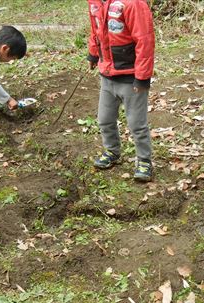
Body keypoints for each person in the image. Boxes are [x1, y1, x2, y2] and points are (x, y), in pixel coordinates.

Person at [86, 0, 155, 182]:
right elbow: (96, 30)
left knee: (136, 124)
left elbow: (144, 39)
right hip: (107, 75)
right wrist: (93, 53)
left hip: (130, 76)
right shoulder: (94, 2)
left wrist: (142, 77)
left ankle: (144, 160)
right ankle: (112, 151)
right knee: (104, 119)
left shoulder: (133, 4)